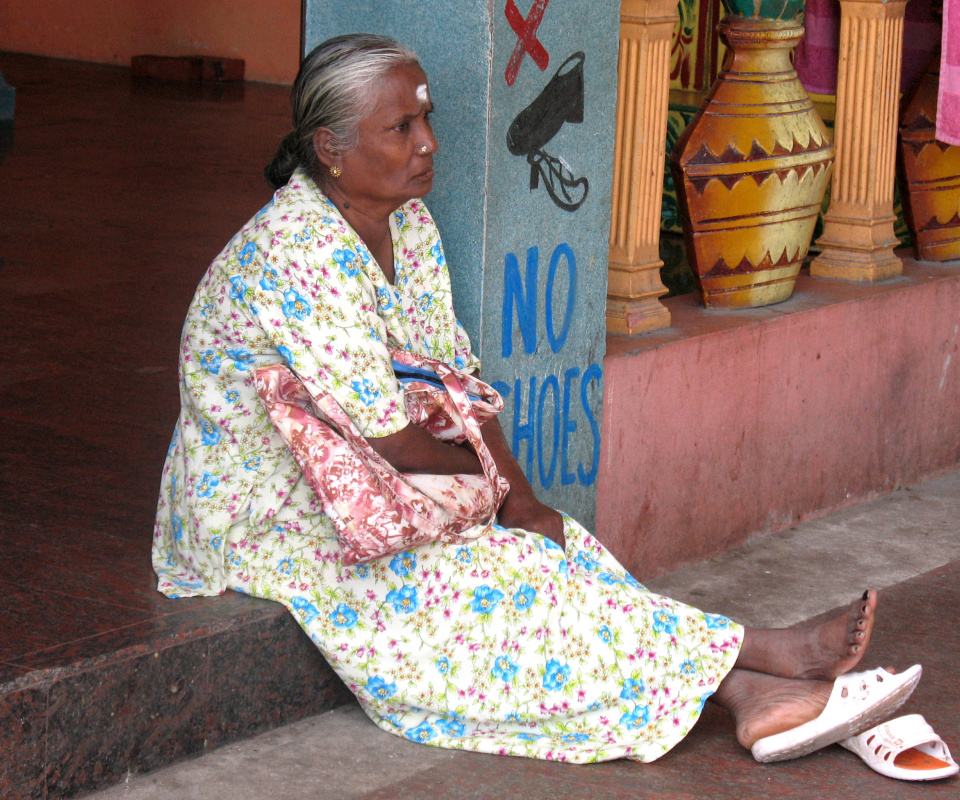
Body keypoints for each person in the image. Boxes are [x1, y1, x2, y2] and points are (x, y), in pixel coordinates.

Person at [153, 34, 903, 765]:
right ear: (329, 148)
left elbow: (455, 382)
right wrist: (490, 497)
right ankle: (758, 652)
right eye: (401, 127)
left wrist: (520, 497)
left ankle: (744, 692)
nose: (428, 143)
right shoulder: (296, 250)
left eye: (428, 119)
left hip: (374, 481)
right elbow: (384, 435)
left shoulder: (405, 225)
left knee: (548, 543)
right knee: (494, 577)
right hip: (268, 510)